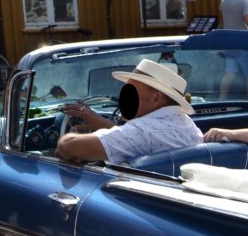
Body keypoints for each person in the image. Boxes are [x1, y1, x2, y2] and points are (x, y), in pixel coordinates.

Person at [55, 58, 203, 163]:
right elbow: (138, 139)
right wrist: (104, 124)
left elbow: (68, 145)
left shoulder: (141, 131)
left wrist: (66, 138)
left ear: (156, 98)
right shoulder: (188, 125)